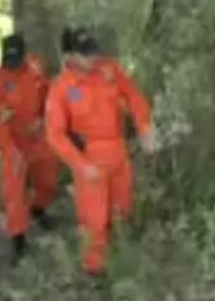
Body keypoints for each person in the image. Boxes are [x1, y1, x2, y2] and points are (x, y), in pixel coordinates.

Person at [45, 26, 154, 276]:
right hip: (89, 158)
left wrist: (144, 126)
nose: (93, 58)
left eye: (93, 52)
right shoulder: (61, 88)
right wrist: (81, 166)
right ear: (70, 56)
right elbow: (55, 134)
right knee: (95, 220)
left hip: (118, 151)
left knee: (123, 209)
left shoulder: (109, 70)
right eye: (85, 54)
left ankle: (121, 261)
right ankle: (94, 274)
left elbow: (133, 95)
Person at [0, 33, 60, 264]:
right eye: (9, 60)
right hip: (11, 141)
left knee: (48, 177)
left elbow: (50, 96)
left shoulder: (35, 70)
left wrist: (43, 118)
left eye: (17, 60)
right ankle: (18, 240)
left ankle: (39, 208)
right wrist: (11, 152)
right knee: (13, 189)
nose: (13, 65)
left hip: (36, 137)